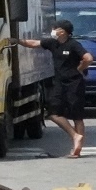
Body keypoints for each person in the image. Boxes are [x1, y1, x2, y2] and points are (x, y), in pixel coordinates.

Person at [21, 19, 90, 158]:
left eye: (55, 28)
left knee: (77, 116)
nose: (53, 30)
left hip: (74, 83)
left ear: (63, 31)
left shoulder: (73, 45)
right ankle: (75, 136)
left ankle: (77, 149)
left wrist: (79, 69)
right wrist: (17, 41)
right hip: (59, 82)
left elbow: (88, 58)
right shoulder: (53, 43)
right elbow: (34, 43)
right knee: (53, 113)